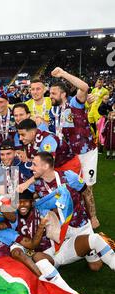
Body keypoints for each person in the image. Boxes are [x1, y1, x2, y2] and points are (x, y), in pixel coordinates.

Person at [49, 67, 99, 229]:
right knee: (73, 186)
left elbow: (84, 87)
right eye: (50, 93)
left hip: (87, 152)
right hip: (69, 156)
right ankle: (79, 214)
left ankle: (93, 217)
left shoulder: (75, 103)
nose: (51, 96)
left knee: (87, 186)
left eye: (53, 93)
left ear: (63, 94)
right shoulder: (53, 111)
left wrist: (63, 74)